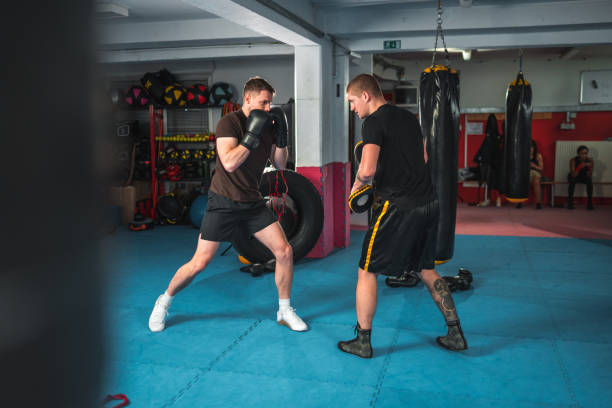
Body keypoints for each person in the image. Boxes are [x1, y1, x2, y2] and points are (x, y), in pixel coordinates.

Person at [148, 77, 308, 333]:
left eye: (271, 103)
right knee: (199, 262)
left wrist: (281, 138)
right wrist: (251, 136)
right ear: (248, 99)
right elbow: (230, 162)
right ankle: (163, 301)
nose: (268, 108)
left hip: (253, 201)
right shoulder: (229, 122)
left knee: (285, 251)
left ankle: (284, 310)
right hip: (223, 201)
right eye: (264, 102)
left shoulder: (268, 124)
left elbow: (279, 165)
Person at [337, 74, 467, 358]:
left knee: (366, 270)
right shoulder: (408, 118)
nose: (352, 108)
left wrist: (358, 183)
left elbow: (368, 169)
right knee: (427, 269)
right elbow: (422, 157)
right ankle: (455, 332)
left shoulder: (372, 122)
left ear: (366, 96)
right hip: (428, 203)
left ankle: (362, 340)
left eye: (352, 101)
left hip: (397, 205)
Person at [517, 139, 543, 209]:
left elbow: (541, 169)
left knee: (536, 182)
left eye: (532, 147)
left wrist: (534, 166)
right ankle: (520, 201)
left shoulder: (538, 156)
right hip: (525, 172)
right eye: (528, 147)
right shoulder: (523, 156)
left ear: (534, 148)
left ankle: (538, 203)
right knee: (522, 181)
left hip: (535, 173)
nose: (530, 149)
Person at [567, 145, 594, 210]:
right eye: (582, 153)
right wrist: (580, 166)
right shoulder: (573, 160)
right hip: (574, 176)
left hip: (583, 176)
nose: (584, 155)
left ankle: (589, 203)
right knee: (572, 181)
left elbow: (590, 175)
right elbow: (573, 174)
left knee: (589, 181)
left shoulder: (590, 160)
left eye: (586, 153)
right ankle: (570, 203)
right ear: (578, 153)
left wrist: (589, 168)